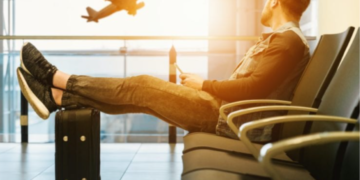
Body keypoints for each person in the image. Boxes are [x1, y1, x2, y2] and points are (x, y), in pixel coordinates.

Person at [17, 0, 310, 142]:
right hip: (225, 113)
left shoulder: (287, 42)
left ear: (274, 2)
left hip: (225, 118)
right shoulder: (285, 41)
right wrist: (203, 85)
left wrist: (204, 84)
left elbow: (251, 89)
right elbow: (252, 86)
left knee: (140, 86)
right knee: (141, 97)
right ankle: (56, 98)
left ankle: (55, 78)